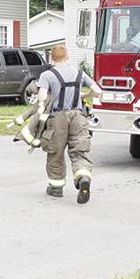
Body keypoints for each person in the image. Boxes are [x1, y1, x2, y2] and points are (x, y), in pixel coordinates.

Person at [37, 45, 102, 204]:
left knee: (55, 152)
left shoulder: (47, 75)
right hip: (78, 116)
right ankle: (83, 177)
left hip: (57, 118)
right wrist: (85, 95)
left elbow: (42, 97)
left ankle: (56, 187)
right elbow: (98, 91)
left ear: (51, 58)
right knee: (79, 151)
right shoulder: (79, 73)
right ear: (67, 56)